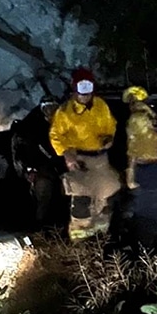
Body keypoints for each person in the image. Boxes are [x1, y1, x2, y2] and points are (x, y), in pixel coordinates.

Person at [49, 67, 121, 241]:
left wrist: (108, 137)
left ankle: (100, 237)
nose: (85, 95)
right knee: (82, 202)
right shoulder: (65, 111)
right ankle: (80, 240)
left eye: (88, 89)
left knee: (104, 199)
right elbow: (55, 135)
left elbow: (111, 125)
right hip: (79, 160)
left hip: (100, 159)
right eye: (81, 89)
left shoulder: (100, 106)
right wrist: (66, 152)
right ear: (75, 90)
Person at [122, 85, 157, 254]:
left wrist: (130, 176)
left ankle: (145, 251)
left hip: (144, 170)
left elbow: (133, 150)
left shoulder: (135, 120)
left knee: (143, 211)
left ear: (132, 102)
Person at [11, 95, 66, 229]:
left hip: (63, 166)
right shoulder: (31, 125)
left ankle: (63, 224)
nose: (50, 111)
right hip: (40, 168)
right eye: (46, 107)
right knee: (43, 189)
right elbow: (23, 150)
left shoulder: (66, 122)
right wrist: (29, 169)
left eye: (53, 107)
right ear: (41, 109)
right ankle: (39, 227)